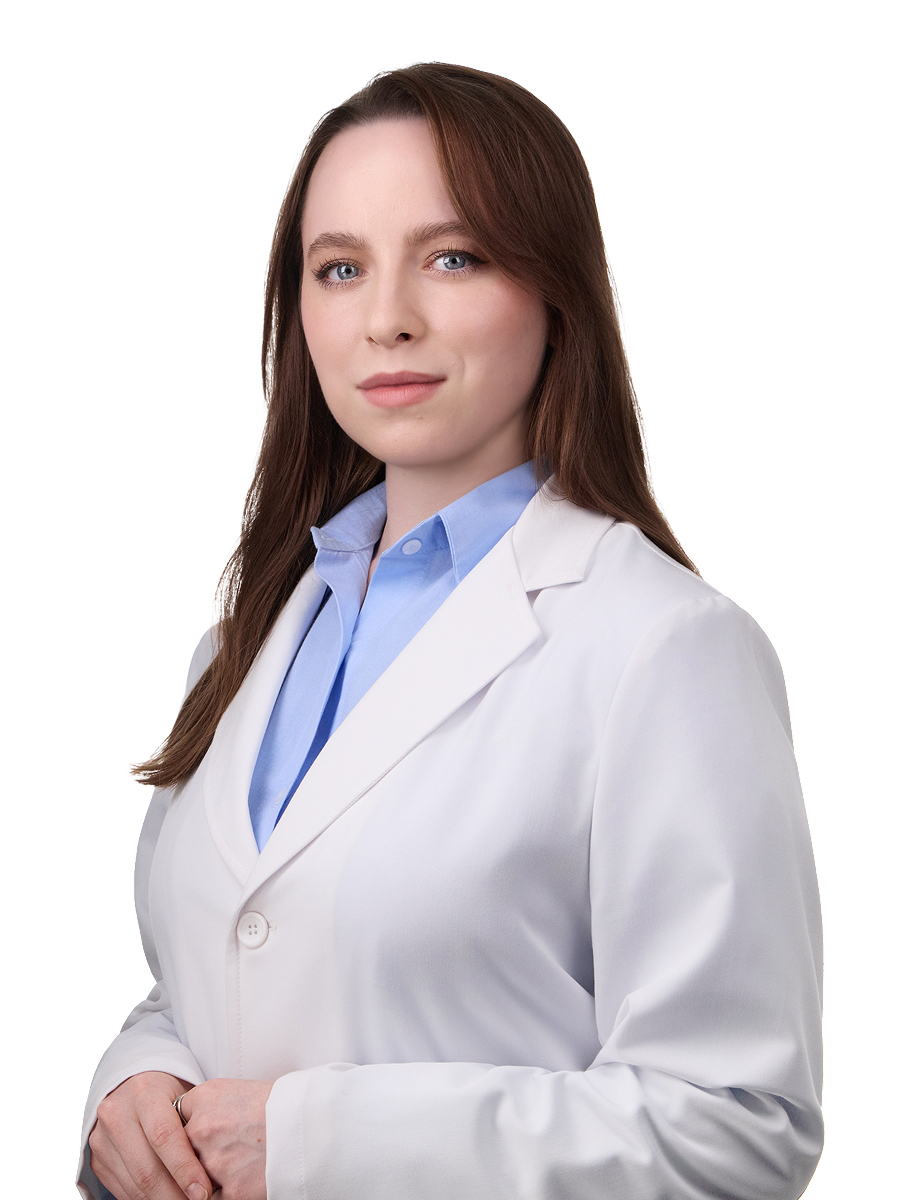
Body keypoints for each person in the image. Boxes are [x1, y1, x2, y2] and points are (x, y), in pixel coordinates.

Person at [80, 63, 823, 1200]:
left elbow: (736, 1125)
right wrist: (139, 1079)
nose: (387, 317)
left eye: (453, 257)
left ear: (556, 289)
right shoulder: (248, 640)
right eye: (340, 268)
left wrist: (322, 1145)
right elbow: (220, 973)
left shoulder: (664, 649)